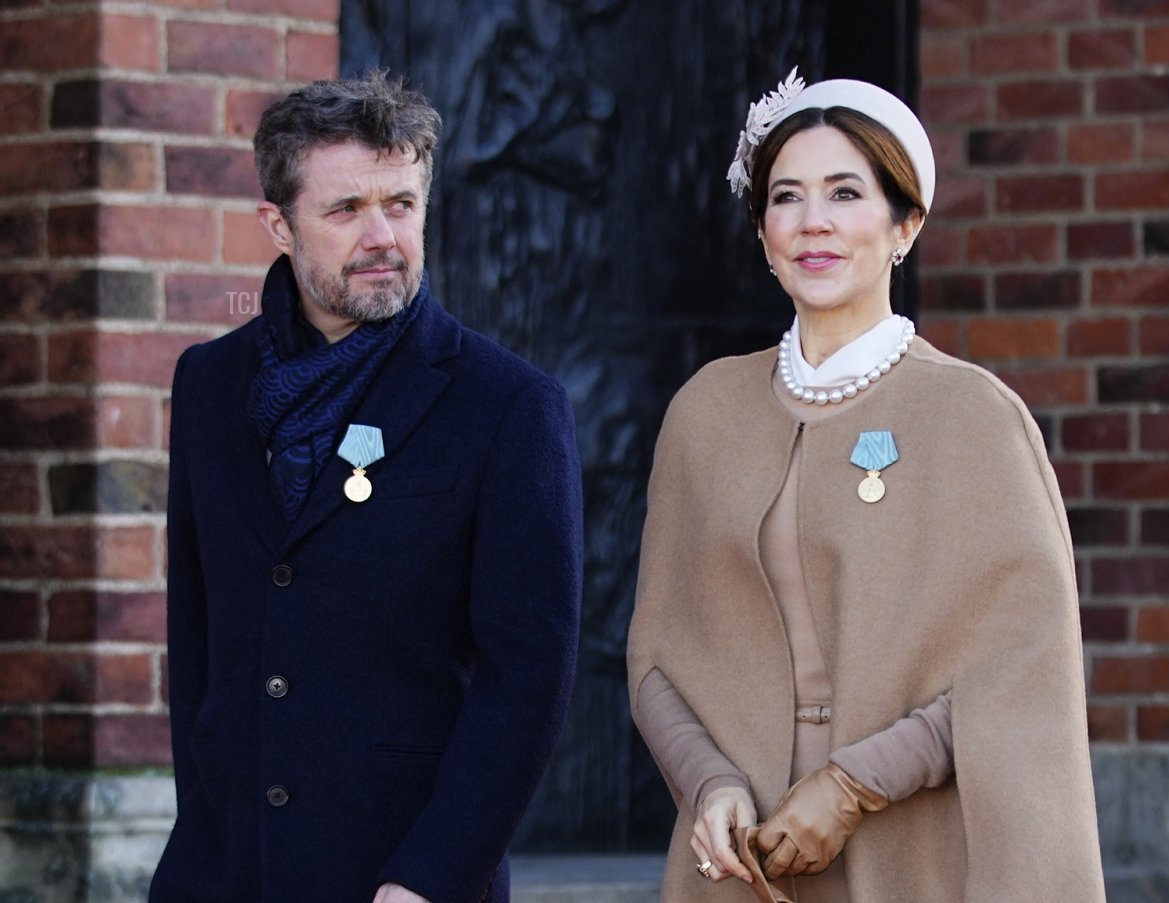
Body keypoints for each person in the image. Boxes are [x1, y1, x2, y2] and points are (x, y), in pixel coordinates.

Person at [626, 69, 1106, 902]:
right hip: (742, 862)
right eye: (786, 197)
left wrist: (852, 785)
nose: (813, 222)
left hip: (914, 852)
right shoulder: (704, 412)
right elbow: (657, 659)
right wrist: (710, 785)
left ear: (904, 222)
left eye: (846, 193)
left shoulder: (974, 417)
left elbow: (1023, 670)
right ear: (762, 228)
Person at [149, 74, 583, 903]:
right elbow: (198, 641)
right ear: (277, 224)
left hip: (402, 877)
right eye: (346, 209)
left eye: (402, 204)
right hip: (224, 873)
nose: (383, 235)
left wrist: (430, 877)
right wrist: (204, 837)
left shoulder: (510, 406)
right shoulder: (208, 385)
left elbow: (526, 678)